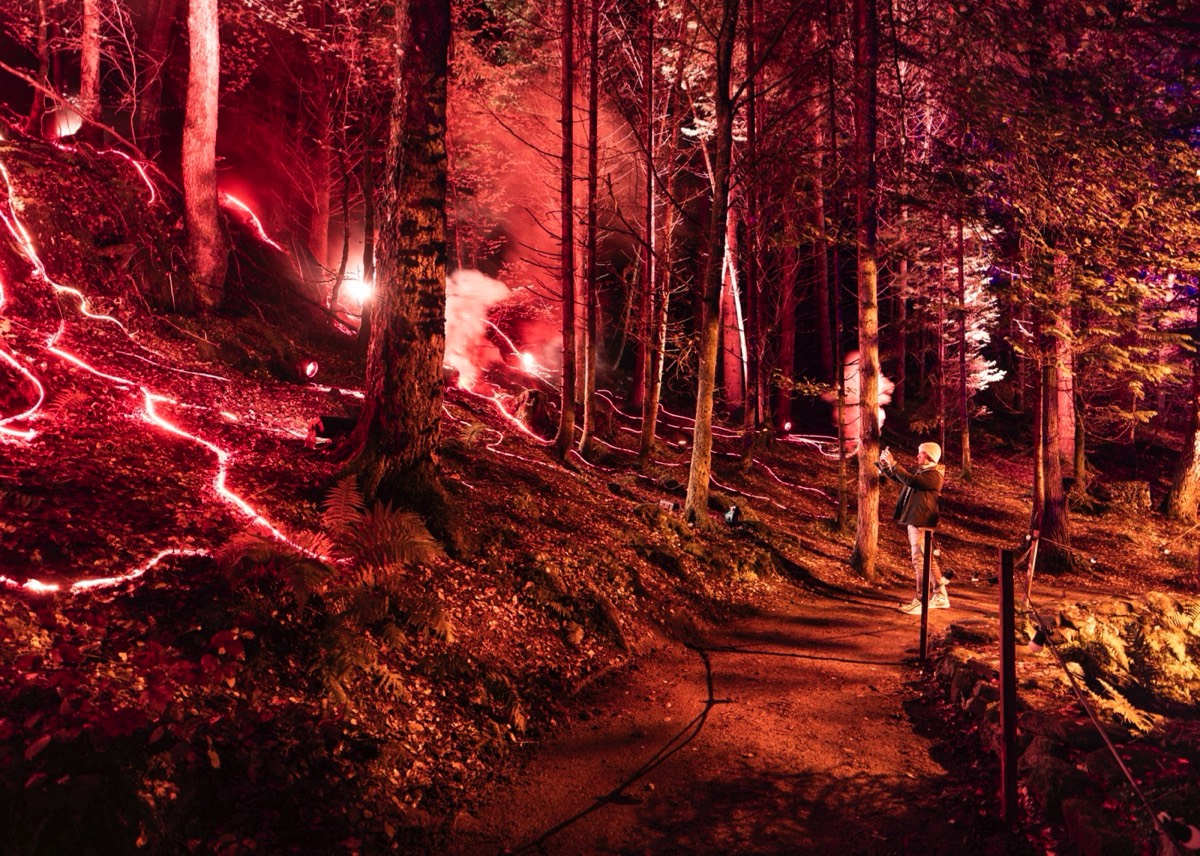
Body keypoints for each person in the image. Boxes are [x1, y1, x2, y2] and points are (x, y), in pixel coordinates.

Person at [879, 442, 948, 613]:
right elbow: (901, 478)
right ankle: (941, 596)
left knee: (919, 561)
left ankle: (920, 600)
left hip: (921, 522)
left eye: (921, 453)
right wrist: (885, 465)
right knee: (927, 560)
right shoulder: (922, 471)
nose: (918, 455)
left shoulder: (934, 475)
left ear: (930, 456)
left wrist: (893, 463)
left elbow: (911, 480)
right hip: (918, 520)